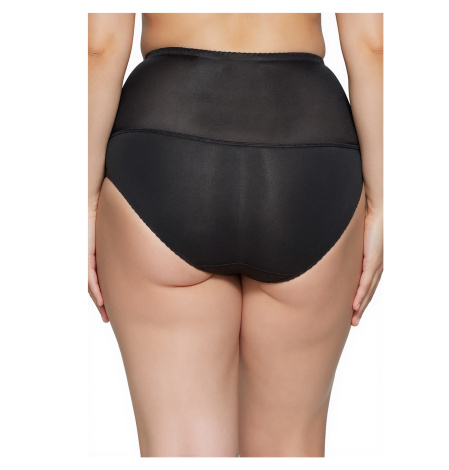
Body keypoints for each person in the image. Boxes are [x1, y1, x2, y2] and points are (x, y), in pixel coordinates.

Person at [88, 12, 383, 457]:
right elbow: (373, 45)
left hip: (168, 149)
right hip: (307, 155)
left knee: (182, 452)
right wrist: (381, 203)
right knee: (289, 448)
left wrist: (84, 202)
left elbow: (100, 47)